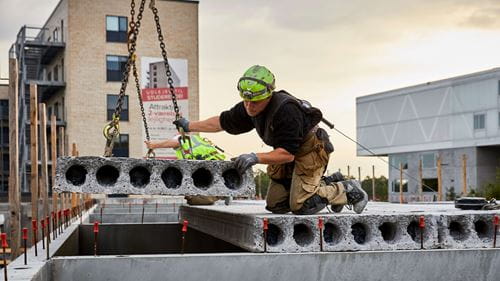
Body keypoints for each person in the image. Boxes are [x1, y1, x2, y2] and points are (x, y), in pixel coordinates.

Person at [172, 65, 368, 215]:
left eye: (255, 102)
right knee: (276, 205)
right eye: (246, 100)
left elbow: (287, 155)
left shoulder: (286, 111)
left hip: (309, 150)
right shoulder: (249, 107)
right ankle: (328, 181)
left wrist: (254, 157)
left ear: (267, 95)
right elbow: (221, 123)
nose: (249, 106)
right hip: (285, 151)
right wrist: (189, 126)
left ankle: (347, 189)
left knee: (301, 205)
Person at [145, 134, 224, 205]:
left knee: (195, 199)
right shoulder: (196, 139)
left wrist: (154, 145)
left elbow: (176, 141)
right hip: (216, 165)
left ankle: (206, 197)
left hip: (208, 167)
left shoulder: (182, 138)